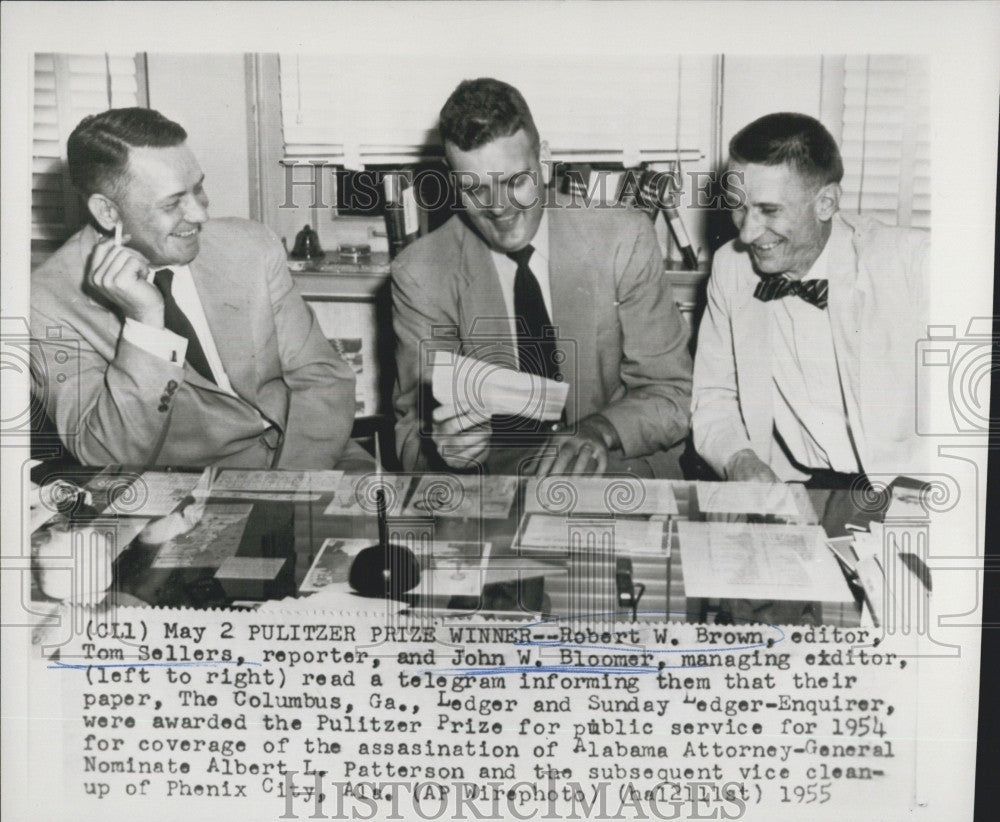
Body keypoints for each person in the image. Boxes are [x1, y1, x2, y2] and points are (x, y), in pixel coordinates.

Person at [31, 107, 365, 470]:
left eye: (199, 189)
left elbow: (322, 377)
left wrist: (292, 485)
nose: (201, 215)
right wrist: (145, 325)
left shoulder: (249, 244)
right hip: (197, 487)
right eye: (173, 203)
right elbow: (107, 454)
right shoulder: (46, 302)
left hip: (315, 450)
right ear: (108, 213)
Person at [392, 78, 692, 477]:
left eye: (514, 182)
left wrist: (597, 431)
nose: (499, 208)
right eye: (475, 189)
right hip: (496, 486)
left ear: (544, 161)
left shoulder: (624, 237)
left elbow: (673, 393)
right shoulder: (420, 273)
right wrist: (445, 444)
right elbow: (412, 433)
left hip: (616, 465)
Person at [692, 112, 928, 486]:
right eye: (739, 207)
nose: (748, 234)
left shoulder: (914, 264)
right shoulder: (731, 268)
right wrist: (738, 459)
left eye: (769, 210)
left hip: (913, 487)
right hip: (801, 485)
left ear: (826, 203)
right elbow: (714, 394)